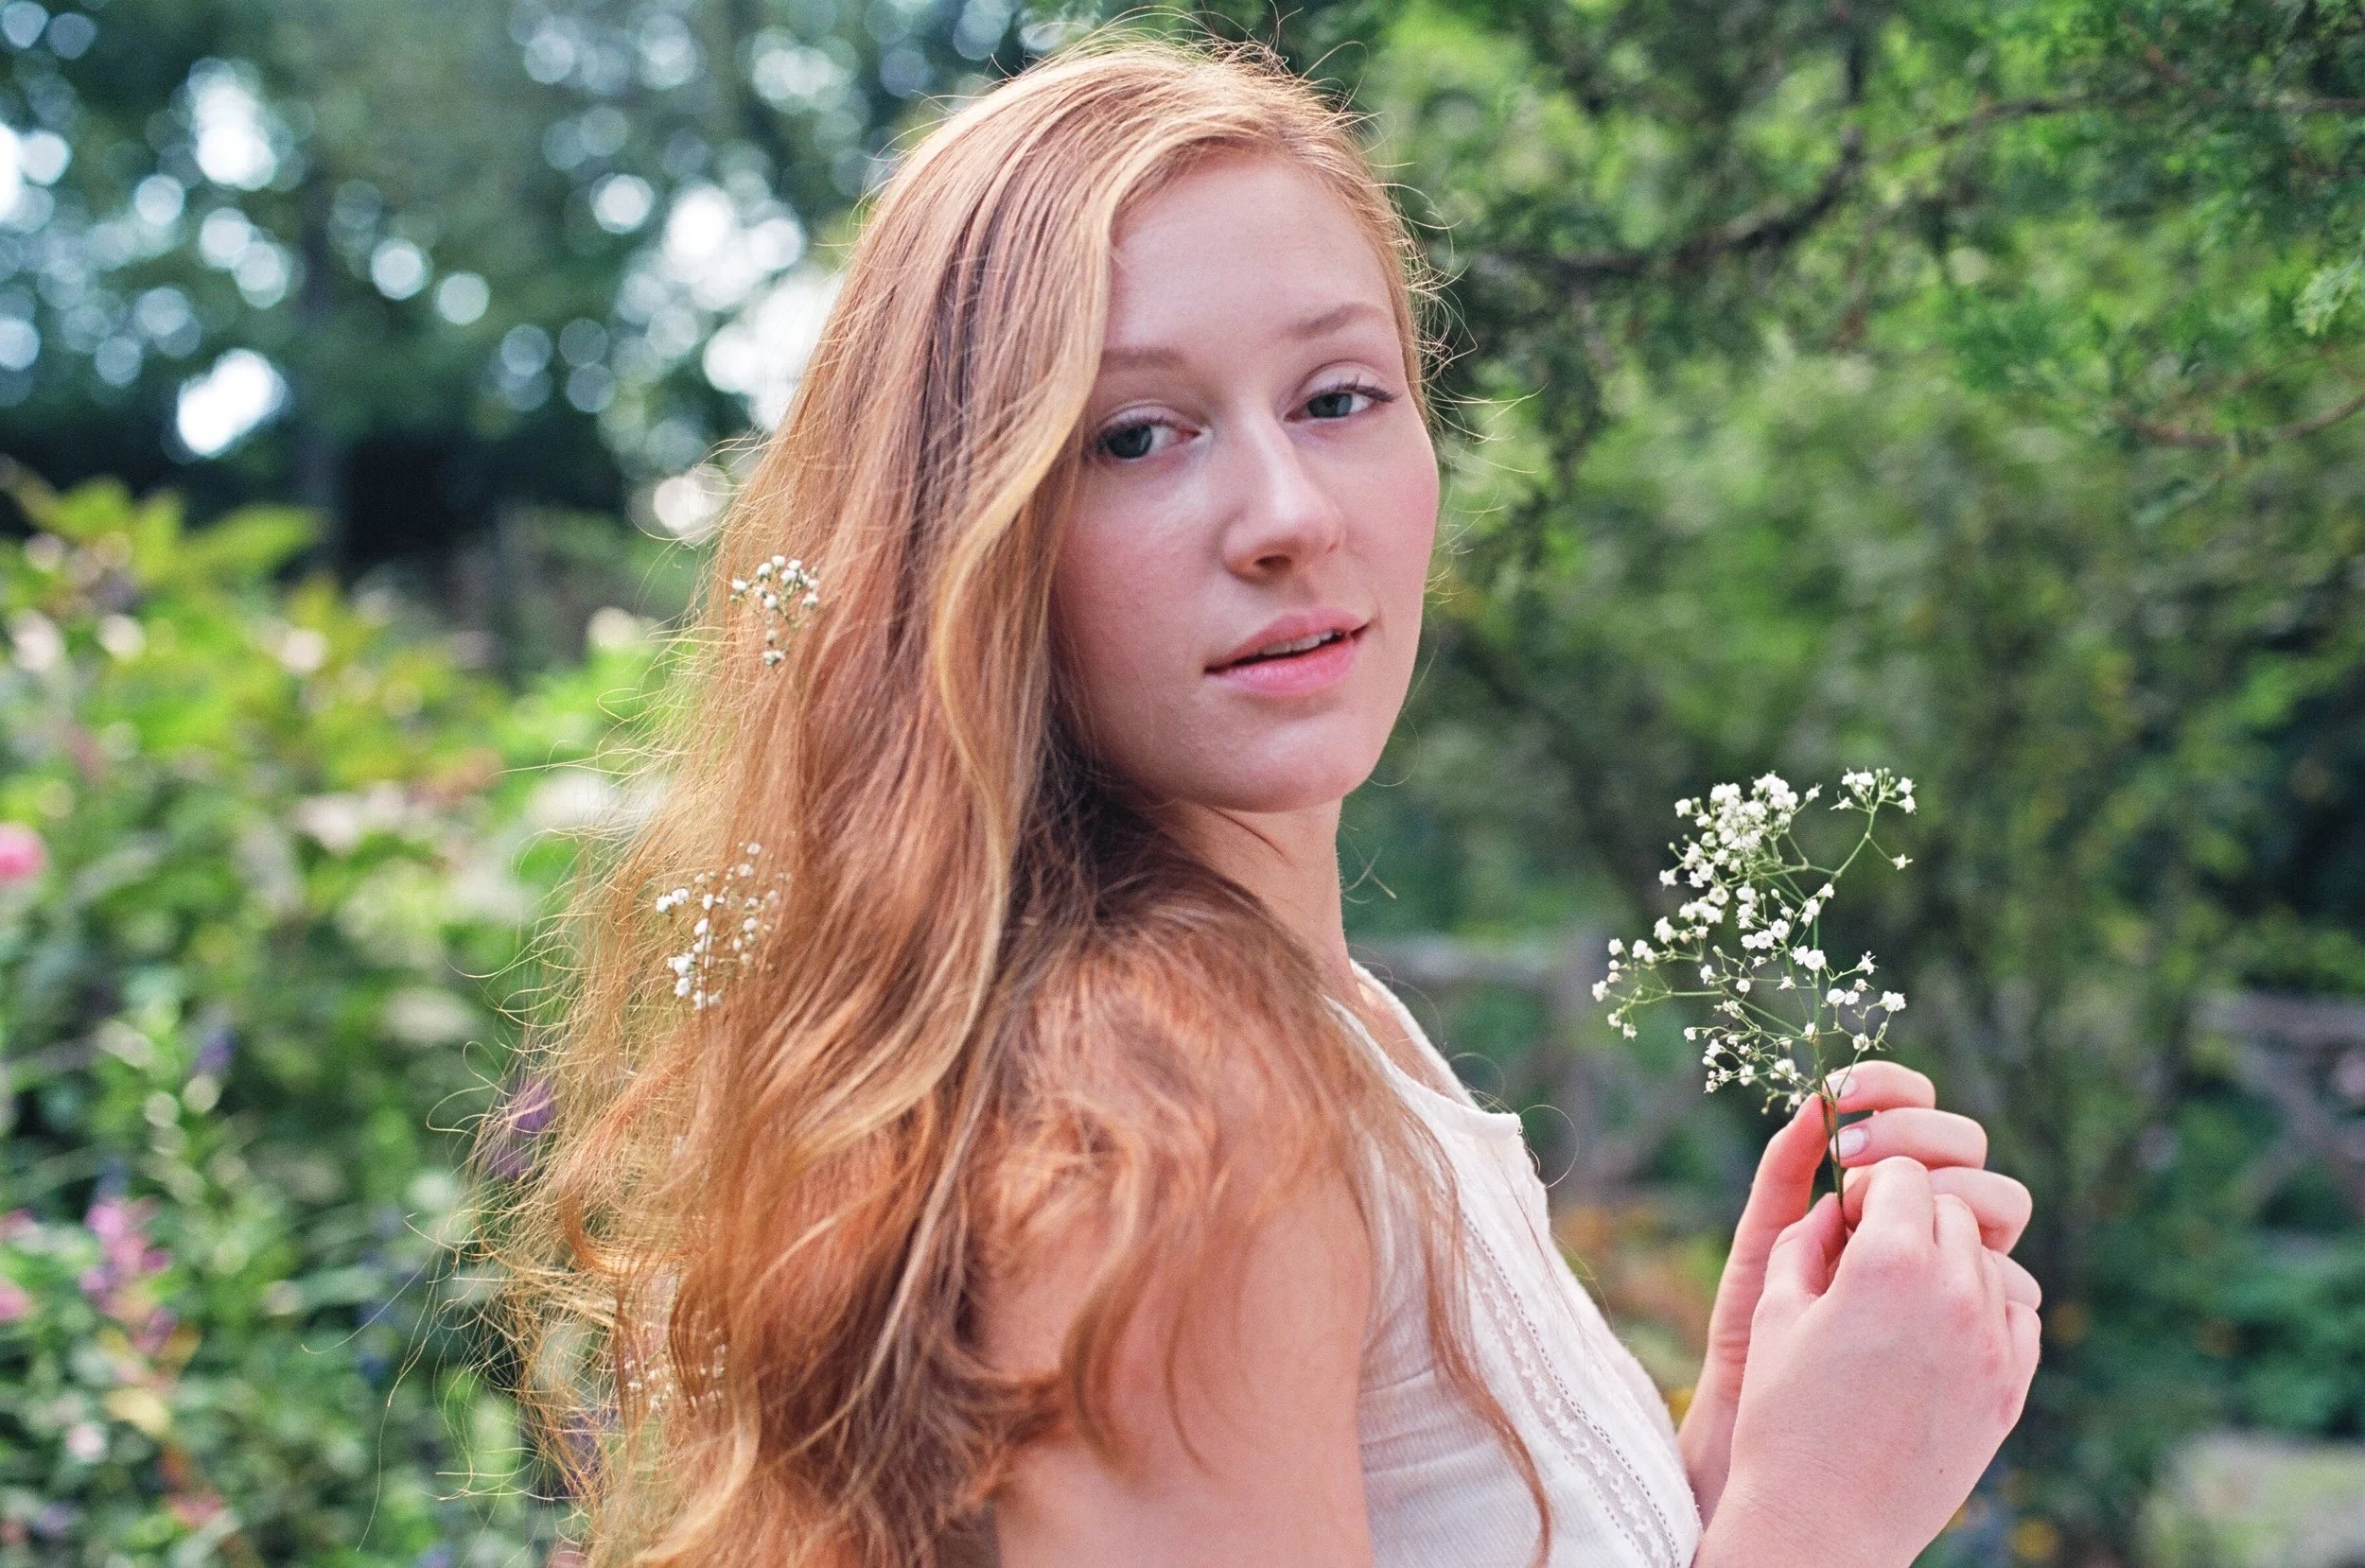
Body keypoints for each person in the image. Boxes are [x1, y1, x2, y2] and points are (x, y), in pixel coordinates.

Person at [490, 37, 2043, 1568]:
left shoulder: (1322, 1018)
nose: (1290, 517)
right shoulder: (1171, 1112)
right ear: (969, 538)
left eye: (1339, 396)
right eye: (1138, 436)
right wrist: (1820, 1526)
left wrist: (1714, 1470)